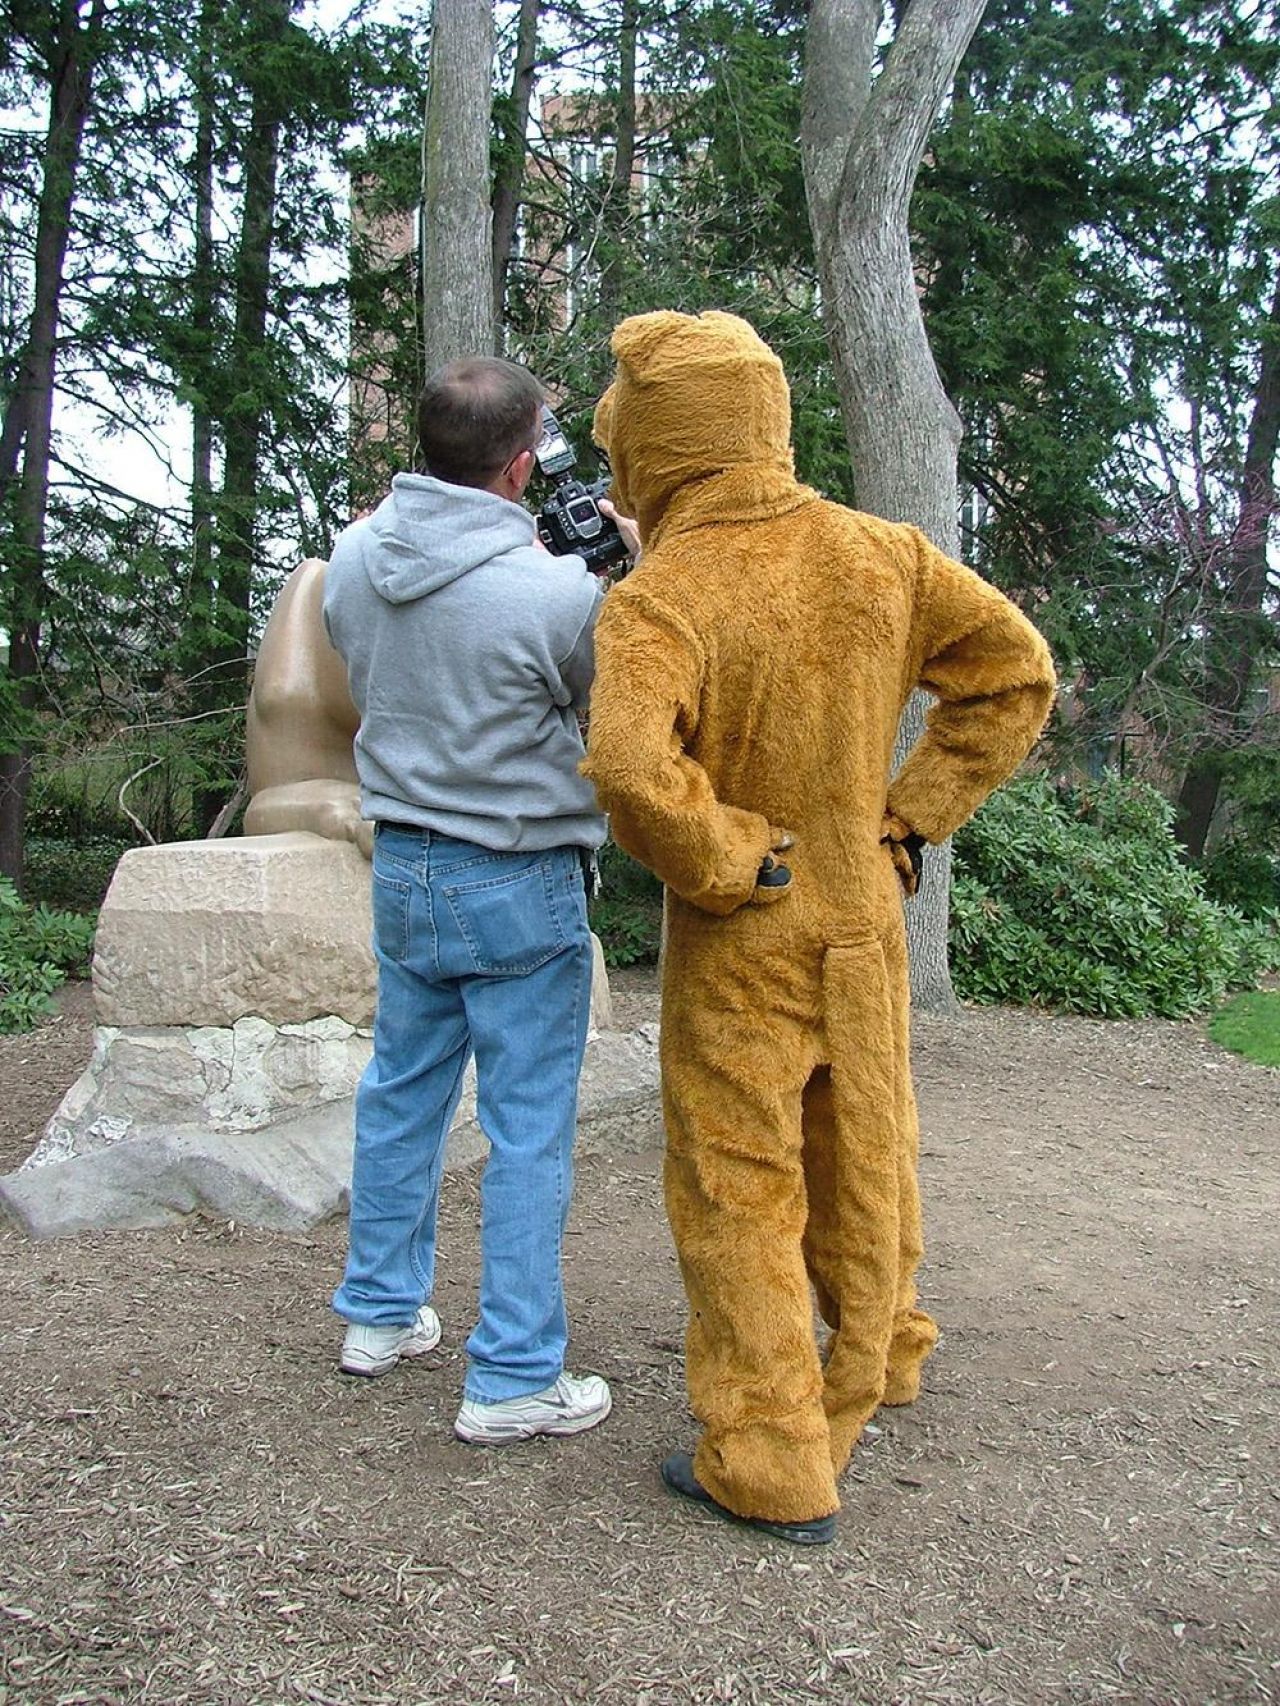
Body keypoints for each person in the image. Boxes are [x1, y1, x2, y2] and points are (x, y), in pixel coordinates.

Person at [581, 310, 1057, 1543]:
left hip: (746, 931)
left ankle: (768, 1454)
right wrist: (908, 821)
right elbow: (1014, 674)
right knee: (866, 1135)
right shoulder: (879, 554)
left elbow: (628, 766)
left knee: (737, 1181)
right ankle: (884, 1344)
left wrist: (728, 851)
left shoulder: (659, 595)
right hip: (860, 905)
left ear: (656, 447)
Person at [324, 355, 622, 1446]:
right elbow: (612, 705)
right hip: (518, 872)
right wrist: (618, 573)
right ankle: (509, 1375)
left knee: (400, 1091)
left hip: (404, 864)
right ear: (516, 462)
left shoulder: (351, 559)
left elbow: (381, 647)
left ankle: (379, 1312)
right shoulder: (557, 591)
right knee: (527, 1124)